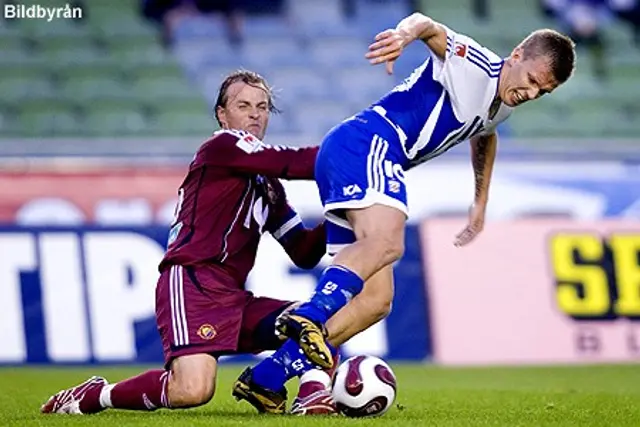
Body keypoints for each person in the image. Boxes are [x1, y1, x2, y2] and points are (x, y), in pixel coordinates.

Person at [241, 11, 577, 390]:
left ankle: (268, 377)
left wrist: (480, 201)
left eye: (542, 92)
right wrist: (402, 37)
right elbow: (426, 24)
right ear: (517, 55)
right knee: (386, 242)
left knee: (376, 301)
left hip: (359, 154)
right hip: (370, 144)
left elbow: (486, 132)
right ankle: (312, 312)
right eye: (532, 81)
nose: (531, 93)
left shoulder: (506, 99)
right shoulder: (477, 64)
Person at [40, 70, 336, 416]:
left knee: (319, 320)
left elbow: (303, 251)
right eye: (244, 105)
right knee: (192, 390)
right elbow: (293, 162)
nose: (256, 113)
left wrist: (338, 211)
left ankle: (312, 397)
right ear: (222, 115)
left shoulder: (267, 184)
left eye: (263, 106)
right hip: (193, 281)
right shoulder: (222, 147)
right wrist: (353, 155)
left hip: (233, 293)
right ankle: (97, 395)